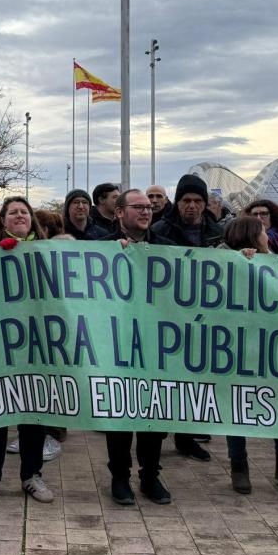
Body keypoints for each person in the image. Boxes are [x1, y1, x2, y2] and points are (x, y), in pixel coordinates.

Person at [218, 216, 278, 496]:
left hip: (273, 347)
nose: (268, 237)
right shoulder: (221, 261)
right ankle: (239, 467)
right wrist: (241, 264)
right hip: (236, 347)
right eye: (263, 233)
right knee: (237, 408)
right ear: (251, 236)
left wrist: (265, 262)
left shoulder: (277, 263)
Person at [0, 196, 55, 504]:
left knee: (34, 412)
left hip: (36, 343)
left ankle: (32, 476)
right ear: (3, 220)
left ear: (31, 219)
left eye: (24, 212)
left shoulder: (48, 251)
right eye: (13, 212)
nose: (19, 216)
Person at [99, 189, 173, 505]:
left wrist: (250, 256)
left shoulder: (168, 249)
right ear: (119, 213)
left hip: (156, 344)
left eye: (148, 207)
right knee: (120, 414)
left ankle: (150, 476)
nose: (146, 211)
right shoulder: (101, 248)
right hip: (117, 343)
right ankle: (119, 477)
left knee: (153, 412)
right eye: (138, 207)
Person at [151, 174, 224, 461]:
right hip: (168, 316)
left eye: (197, 201)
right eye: (186, 201)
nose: (191, 206)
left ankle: (187, 436)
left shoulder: (218, 232)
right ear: (177, 202)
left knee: (196, 378)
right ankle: (156, 436)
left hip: (204, 318)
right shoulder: (160, 230)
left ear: (205, 204)